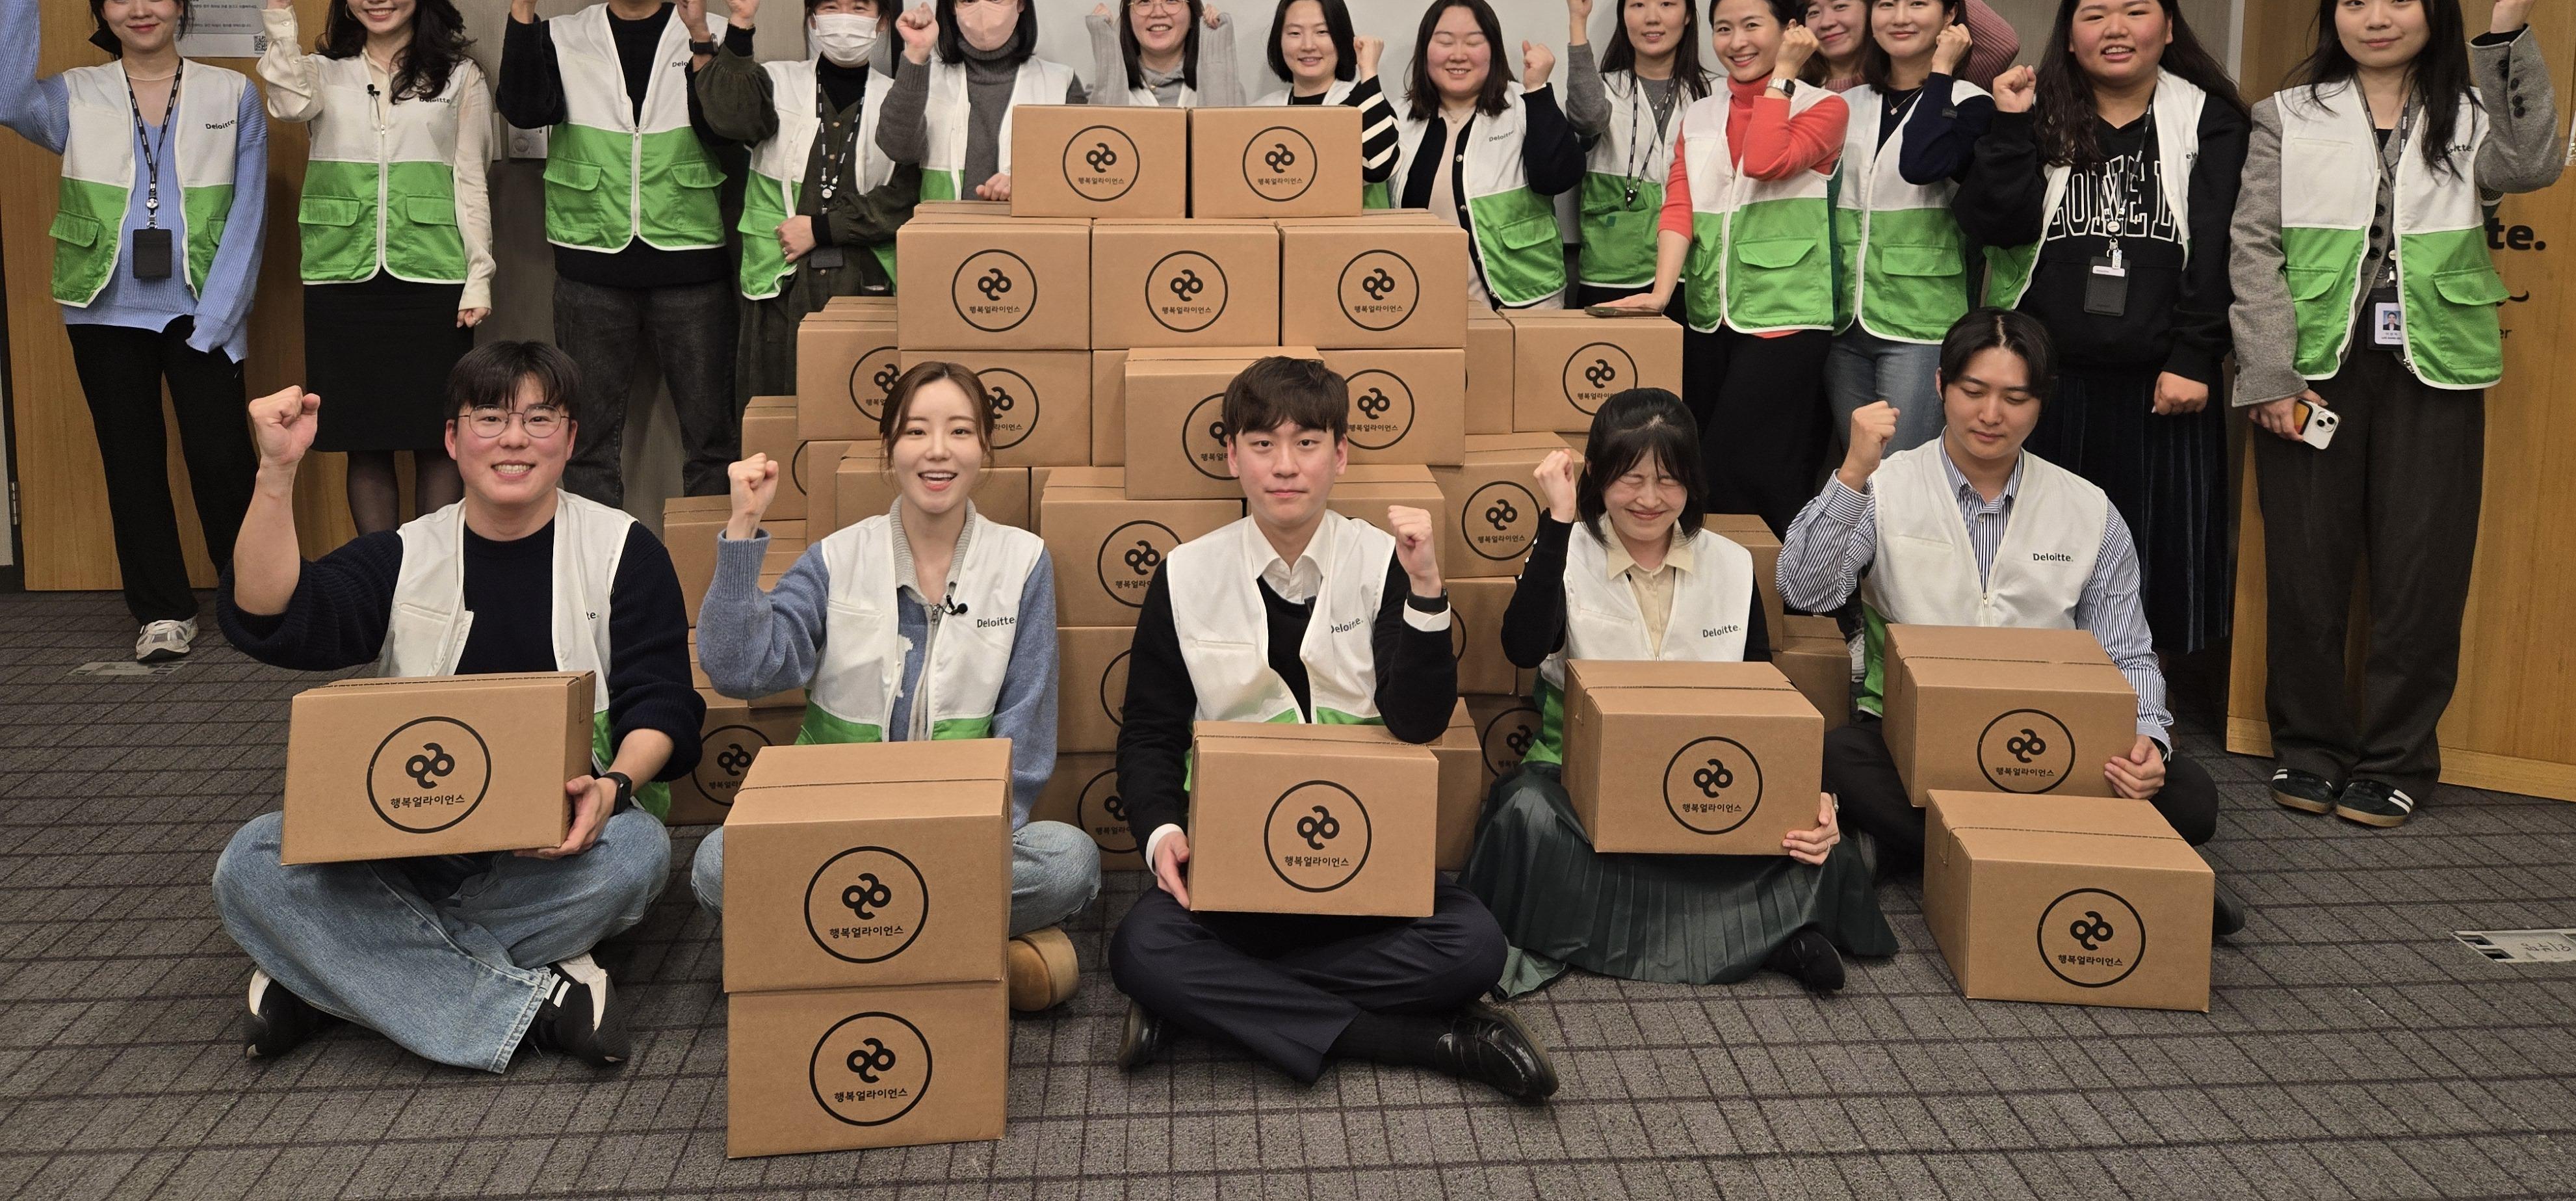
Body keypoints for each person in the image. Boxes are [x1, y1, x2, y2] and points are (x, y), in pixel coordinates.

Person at [211, 342, 701, 1069]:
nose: (513, 439)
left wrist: (614, 788)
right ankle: (537, 1003)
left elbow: (662, 702)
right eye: (491, 417)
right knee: (249, 861)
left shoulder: (622, 549)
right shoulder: (406, 554)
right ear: (452, 437)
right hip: (408, 843)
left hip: (557, 845)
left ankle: (326, 970)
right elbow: (272, 613)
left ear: (569, 439)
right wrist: (277, 473)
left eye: (540, 420)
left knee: (638, 854)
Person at [1106, 356, 1557, 1101]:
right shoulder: (1186, 574)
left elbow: (1416, 723)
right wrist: (1160, 833)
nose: (1285, 466)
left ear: (1341, 454)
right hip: (1232, 880)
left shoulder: (1381, 561)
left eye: (1307, 443)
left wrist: (1425, 589)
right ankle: (1429, 1042)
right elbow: (1149, 732)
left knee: (1476, 946)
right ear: (1231, 455)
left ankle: (1205, 1008)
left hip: (1364, 875)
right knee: (1140, 947)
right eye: (1262, 444)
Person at [2231, 0, 2558, 828]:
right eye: (2356, 0)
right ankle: (2309, 747)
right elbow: (2253, 248)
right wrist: (2268, 371)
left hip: (2435, 366)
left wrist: (2506, 41)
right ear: (2332, 13)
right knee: (2305, 566)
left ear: (2433, 7)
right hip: (2312, 365)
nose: (2377, 18)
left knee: (2423, 572)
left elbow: (2532, 165)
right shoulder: (2287, 113)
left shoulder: (2472, 106)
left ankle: (2399, 757)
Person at [1780, 308, 2241, 938]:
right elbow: (1803, 589)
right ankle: (2105, 859)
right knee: (1834, 757)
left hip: (2049, 748)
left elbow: (2128, 654)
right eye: (1973, 391)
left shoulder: (2087, 509)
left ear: (2040, 402)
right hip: (1913, 744)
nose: (1990, 414)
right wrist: (1852, 471)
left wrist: (2148, 741)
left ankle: (1924, 850)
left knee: (2190, 797)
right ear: (1940, 385)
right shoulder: (1888, 486)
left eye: (2014, 397)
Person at [688, 360, 1099, 1005]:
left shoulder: (1022, 561)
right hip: (826, 826)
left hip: (960, 836)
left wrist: (972, 833)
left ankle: (824, 951)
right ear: (889, 450)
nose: (938, 451)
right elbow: (741, 670)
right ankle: (952, 953)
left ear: (984, 450)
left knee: (1070, 861)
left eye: (960, 432)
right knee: (717, 864)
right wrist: (741, 531)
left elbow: (1028, 721)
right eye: (916, 432)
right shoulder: (835, 558)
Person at [1461, 391, 1894, 996]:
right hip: (1577, 786)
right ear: (1597, 477)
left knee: (1811, 837)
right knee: (1523, 818)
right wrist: (1557, 522)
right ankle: (1765, 938)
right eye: (1629, 479)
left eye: (1668, 480)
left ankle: (1746, 935)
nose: (1648, 499)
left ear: (1694, 481)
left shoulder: (1733, 565)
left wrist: (1807, 797)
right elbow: (1521, 646)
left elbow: (1762, 698)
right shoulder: (1565, 552)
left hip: (1702, 782)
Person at [1954, 0, 2248, 663]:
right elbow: (1995, 223)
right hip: (2044, 380)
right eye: (2094, 15)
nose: (2114, 29)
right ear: (2070, 32)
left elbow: (2219, 249)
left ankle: (2141, 693)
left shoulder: (2209, 119)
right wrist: (2007, 126)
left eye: (2134, 11)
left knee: (2153, 553)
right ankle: (2029, 677)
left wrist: (2193, 355)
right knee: (2037, 549)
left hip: (2161, 382)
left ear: (2168, 27)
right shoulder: (2036, 108)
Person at [0, 0, 265, 663]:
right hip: (103, 307)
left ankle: (253, 600)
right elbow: (5, 96)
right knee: (132, 462)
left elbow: (248, 215)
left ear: (180, 3)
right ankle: (162, 612)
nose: (139, 9)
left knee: (223, 462)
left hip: (203, 311)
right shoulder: (73, 94)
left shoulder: (230, 94)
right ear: (102, 14)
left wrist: (219, 317)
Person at [496, 0, 736, 507]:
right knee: (588, 441)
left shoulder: (712, 33)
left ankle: (711, 579)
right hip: (590, 263)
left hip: (690, 260)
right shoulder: (561, 34)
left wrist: (706, 42)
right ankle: (600, 587)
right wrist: (523, 8)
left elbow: (732, 131)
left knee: (712, 440)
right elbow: (524, 110)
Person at [257, 0, 493, 533]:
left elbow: (471, 179)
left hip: (433, 277)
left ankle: (435, 579)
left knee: (434, 436)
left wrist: (479, 276)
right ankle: (380, 581)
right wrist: (279, 16)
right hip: (342, 277)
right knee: (363, 440)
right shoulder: (320, 71)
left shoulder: (460, 76)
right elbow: (286, 104)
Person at [1608, 0, 1840, 533]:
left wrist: (1784, 75)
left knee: (1754, 467)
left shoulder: (1825, 108)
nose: (1736, 43)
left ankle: (1786, 597)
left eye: (1752, 26)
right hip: (1712, 315)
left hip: (1786, 317)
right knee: (1705, 463)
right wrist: (1662, 293)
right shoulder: (1702, 112)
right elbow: (1680, 208)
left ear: (1789, 30)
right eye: (1723, 28)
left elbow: (1765, 159)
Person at [690, 0, 917, 404]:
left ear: (882, 22)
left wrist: (822, 227)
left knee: (860, 417)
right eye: (830, 8)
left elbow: (907, 199)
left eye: (859, 8)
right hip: (780, 284)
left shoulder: (900, 101)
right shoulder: (776, 80)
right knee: (777, 420)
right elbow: (730, 121)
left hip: (867, 286)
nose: (844, 20)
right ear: (812, 21)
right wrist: (740, 25)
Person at [1825, 0, 1993, 458]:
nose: (1899, 17)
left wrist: (1941, 71)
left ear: (1950, 17)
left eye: (1917, 3)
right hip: (1841, 320)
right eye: (1886, 3)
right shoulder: (1846, 104)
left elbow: (1922, 162)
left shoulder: (1970, 104)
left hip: (1921, 322)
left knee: (1904, 469)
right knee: (1858, 466)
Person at [1391, 0, 1581, 309]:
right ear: (1425, 50)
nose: (1458, 54)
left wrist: (1538, 90)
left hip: (1526, 306)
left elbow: (1558, 177)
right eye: (1445, 41)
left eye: (1473, 41)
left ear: (1493, 49)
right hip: (1425, 308)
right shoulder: (1400, 119)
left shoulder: (1524, 104)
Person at [876, 0, 1083, 204]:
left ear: (1020, 1)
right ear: (953, 5)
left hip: (1030, 240)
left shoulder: (1060, 83)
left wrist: (1030, 183)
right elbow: (896, 147)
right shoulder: (928, 78)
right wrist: (916, 53)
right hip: (944, 237)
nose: (982, 10)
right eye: (969, 0)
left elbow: (1079, 176)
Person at [1562, 0, 1712, 308]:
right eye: (1638, 4)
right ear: (1624, 16)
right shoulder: (1605, 89)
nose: (1652, 17)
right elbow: (1586, 118)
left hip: (1695, 275)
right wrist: (1577, 23)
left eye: (1667, 3)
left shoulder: (1714, 94)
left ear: (1687, 15)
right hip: (1611, 273)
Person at [1256, 0, 1399, 202]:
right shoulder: (1262, 112)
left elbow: (1379, 167)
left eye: (1322, 32)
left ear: (1341, 39)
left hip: (1354, 236)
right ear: (1279, 41)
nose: (1308, 45)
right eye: (1294, 33)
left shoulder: (1364, 102)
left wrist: (1369, 71)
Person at [1799, 0, 2019, 94]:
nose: (1825, 22)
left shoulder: (1917, 73)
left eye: (1840, 6)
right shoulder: (1797, 86)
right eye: (1813, 11)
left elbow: (2003, 45)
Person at [1087, 0, 1242, 107]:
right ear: (1128, 19)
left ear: (1193, 16)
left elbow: (1227, 129)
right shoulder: (1101, 91)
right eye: (1144, 1)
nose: (1158, 12)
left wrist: (1217, 44)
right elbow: (1102, 130)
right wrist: (1105, 45)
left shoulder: (1224, 88)